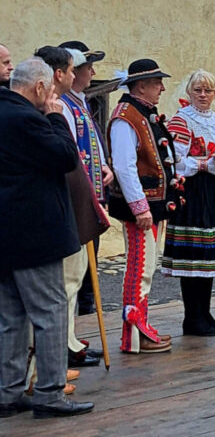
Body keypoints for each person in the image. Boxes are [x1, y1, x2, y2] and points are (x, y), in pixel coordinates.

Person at [0, 57, 94, 418]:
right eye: (50, 91)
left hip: (6, 233)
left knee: (10, 316)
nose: (52, 96)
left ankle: (8, 392)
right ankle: (50, 393)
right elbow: (65, 156)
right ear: (39, 87)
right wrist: (56, 117)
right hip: (35, 232)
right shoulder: (27, 119)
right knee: (51, 313)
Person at [34, 46, 104, 368]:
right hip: (68, 202)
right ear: (59, 73)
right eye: (75, 68)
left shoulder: (75, 104)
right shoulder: (56, 108)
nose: (80, 74)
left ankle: (69, 339)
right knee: (66, 279)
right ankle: (59, 347)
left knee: (75, 278)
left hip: (80, 198)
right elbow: (68, 155)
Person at [108, 59, 179, 354]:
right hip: (141, 209)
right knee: (139, 270)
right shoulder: (126, 117)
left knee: (146, 268)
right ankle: (134, 335)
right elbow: (124, 166)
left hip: (152, 206)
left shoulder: (141, 113)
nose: (161, 88)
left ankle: (140, 331)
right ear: (141, 86)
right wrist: (139, 208)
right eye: (156, 83)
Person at [163, 70, 215, 336]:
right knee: (193, 253)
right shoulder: (181, 121)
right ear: (189, 92)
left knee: (209, 254)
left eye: (208, 91)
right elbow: (174, 162)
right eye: (198, 90)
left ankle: (204, 313)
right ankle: (192, 317)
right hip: (194, 191)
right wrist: (205, 164)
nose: (204, 95)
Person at [58, 40, 108, 317]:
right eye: (88, 67)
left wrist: (104, 166)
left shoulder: (81, 102)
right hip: (77, 200)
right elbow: (72, 150)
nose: (93, 72)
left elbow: (91, 143)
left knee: (88, 271)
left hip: (91, 198)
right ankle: (70, 339)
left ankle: (81, 332)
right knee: (73, 274)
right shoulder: (63, 105)